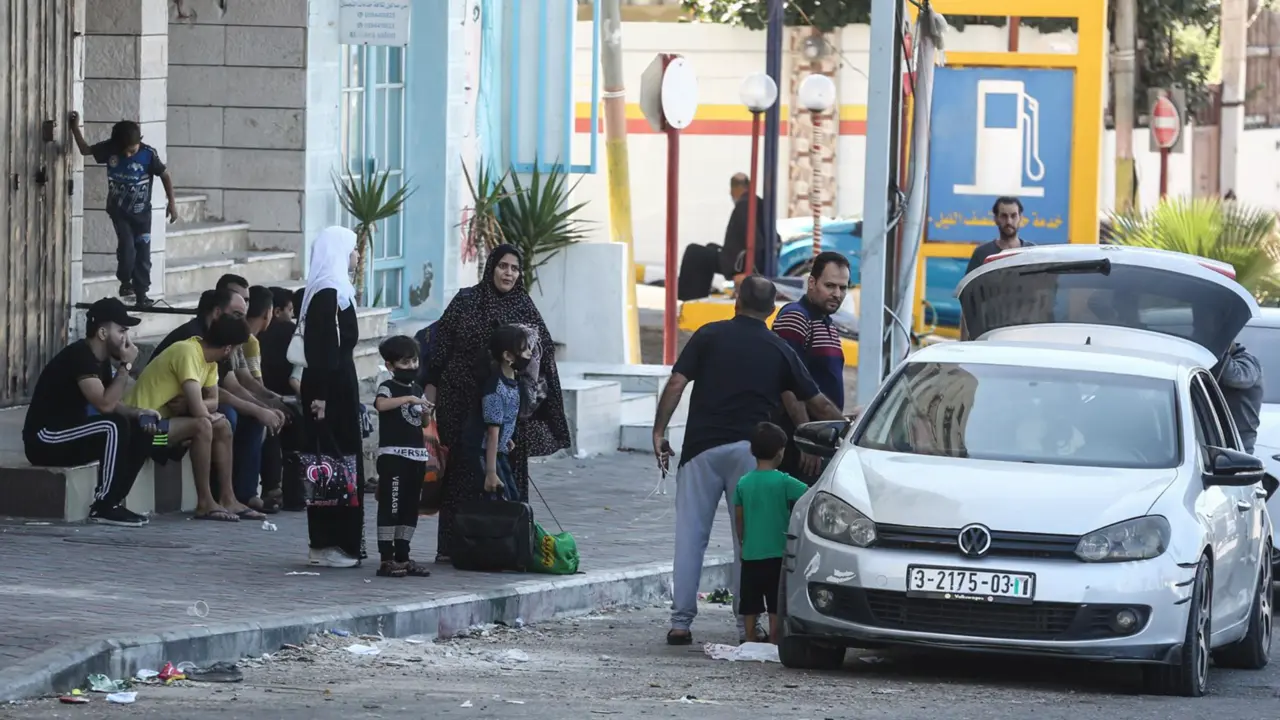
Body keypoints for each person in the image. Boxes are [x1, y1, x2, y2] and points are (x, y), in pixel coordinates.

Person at [653, 275, 844, 646]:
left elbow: (676, 383)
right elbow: (811, 400)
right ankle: (746, 627)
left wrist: (659, 431)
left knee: (690, 538)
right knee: (750, 543)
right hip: (749, 454)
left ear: (736, 301)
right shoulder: (778, 349)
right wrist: (848, 432)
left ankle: (680, 623)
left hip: (700, 451)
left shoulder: (708, 335)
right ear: (772, 310)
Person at [423, 244, 571, 563]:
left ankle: (503, 547)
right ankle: (455, 548)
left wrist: (529, 405)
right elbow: (441, 345)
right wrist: (431, 390)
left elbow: (542, 355)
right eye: (503, 266)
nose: (508, 273)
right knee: (463, 474)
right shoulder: (466, 300)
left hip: (506, 409)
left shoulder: (524, 307)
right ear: (490, 267)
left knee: (505, 476)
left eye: (514, 268)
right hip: (460, 403)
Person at [23, 298, 157, 526]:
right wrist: (125, 367)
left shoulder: (101, 361)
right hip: (45, 438)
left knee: (141, 427)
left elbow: (110, 402)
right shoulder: (80, 356)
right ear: (103, 333)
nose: (127, 339)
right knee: (112, 425)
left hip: (73, 434)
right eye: (122, 331)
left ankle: (113, 501)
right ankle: (103, 506)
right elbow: (104, 405)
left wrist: (138, 413)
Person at [125, 315, 252, 522]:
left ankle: (228, 498)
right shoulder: (188, 352)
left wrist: (202, 408)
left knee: (223, 426)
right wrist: (202, 408)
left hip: (165, 431)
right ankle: (205, 502)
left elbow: (213, 401)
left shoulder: (209, 362)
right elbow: (200, 410)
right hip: (142, 431)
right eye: (237, 349)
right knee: (203, 425)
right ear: (228, 349)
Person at [301, 226, 368, 568]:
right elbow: (325, 351)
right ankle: (331, 543)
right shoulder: (328, 294)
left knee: (339, 463)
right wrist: (324, 397)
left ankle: (338, 542)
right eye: (354, 249)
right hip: (329, 395)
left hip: (338, 390)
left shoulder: (336, 291)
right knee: (331, 464)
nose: (357, 256)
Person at [68, 113, 177, 307]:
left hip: (142, 214)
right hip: (119, 212)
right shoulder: (110, 150)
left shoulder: (148, 154)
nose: (127, 154)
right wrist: (75, 127)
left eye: (132, 150)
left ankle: (142, 294)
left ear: (139, 143)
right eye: (124, 150)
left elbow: (165, 175)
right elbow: (85, 150)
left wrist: (172, 203)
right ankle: (126, 282)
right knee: (127, 249)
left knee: (143, 253)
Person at [771, 251, 851, 483]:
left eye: (843, 288)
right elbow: (787, 382)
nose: (837, 294)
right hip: (799, 444)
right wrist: (805, 437)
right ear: (812, 283)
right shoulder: (796, 317)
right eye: (830, 286)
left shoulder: (826, 322)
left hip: (820, 440)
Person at [733, 422, 810, 645]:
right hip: (778, 553)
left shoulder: (743, 483)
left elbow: (739, 518)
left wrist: (742, 541)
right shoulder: (784, 481)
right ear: (780, 452)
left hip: (751, 553)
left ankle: (749, 638)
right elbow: (809, 494)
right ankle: (775, 638)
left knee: (749, 601)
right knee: (775, 601)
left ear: (752, 451)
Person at [373, 335, 434, 578]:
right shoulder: (389, 388)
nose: (411, 367)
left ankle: (403, 555)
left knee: (410, 508)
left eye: (414, 361)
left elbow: (423, 422)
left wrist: (426, 413)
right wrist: (408, 399)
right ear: (390, 365)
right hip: (393, 457)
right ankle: (386, 559)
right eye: (405, 362)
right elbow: (381, 405)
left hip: (416, 457)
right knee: (392, 506)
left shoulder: (417, 389)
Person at [477, 325, 530, 502]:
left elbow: (503, 422)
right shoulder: (496, 389)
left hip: (500, 452)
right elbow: (492, 433)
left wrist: (506, 437)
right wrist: (491, 473)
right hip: (488, 456)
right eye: (524, 349)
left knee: (514, 500)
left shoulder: (513, 382)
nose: (529, 353)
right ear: (508, 356)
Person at [964, 196, 1035, 275]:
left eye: (1013, 216)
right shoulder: (981, 254)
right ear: (996, 219)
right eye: (1004, 216)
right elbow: (971, 286)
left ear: (1020, 218)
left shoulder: (1032, 252)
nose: (1009, 221)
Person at [1215, 342, 1264, 454]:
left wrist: (1218, 350)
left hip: (1240, 443)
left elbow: (1236, 377)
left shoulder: (1249, 362)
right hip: (1217, 436)